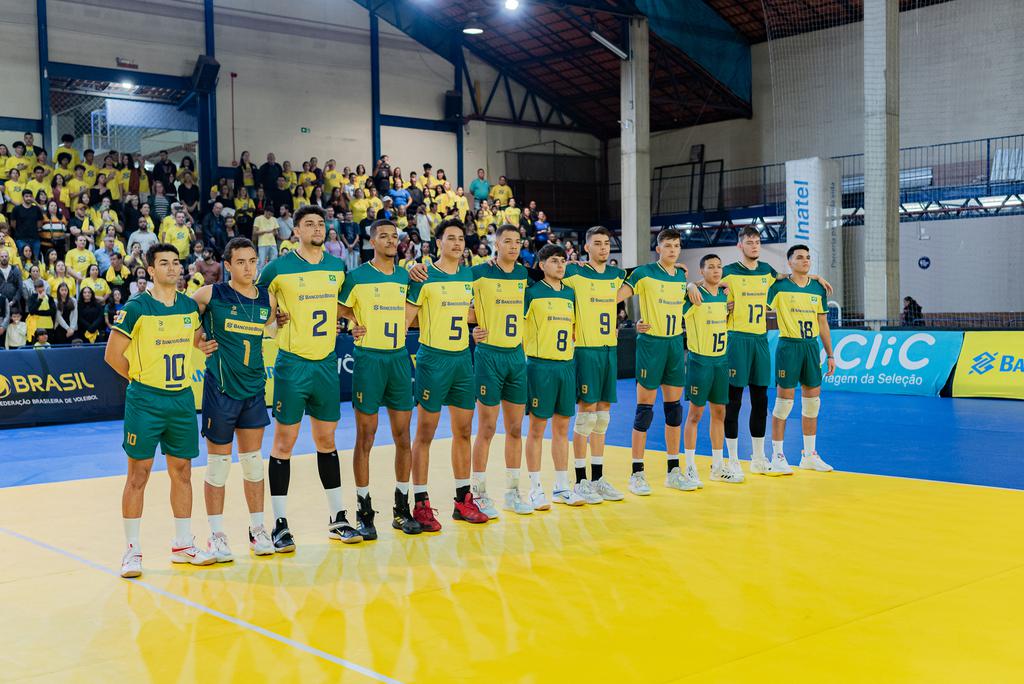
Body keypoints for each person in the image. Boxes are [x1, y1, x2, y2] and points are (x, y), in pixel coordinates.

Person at [104, 243, 216, 578]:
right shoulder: (136, 307)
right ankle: (131, 551)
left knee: (182, 471)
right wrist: (139, 381)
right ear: (150, 270)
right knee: (138, 474)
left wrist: (204, 342)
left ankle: (183, 544)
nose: (172, 268)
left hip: (181, 399)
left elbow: (196, 336)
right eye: (163, 263)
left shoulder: (187, 305)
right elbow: (112, 355)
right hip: (145, 400)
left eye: (176, 262)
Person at [257, 205, 359, 551]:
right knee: (283, 442)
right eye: (309, 224)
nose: (317, 227)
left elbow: (344, 306)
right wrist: (272, 325)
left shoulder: (336, 266)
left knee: (327, 441)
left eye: (321, 223)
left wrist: (352, 321)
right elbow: (257, 307)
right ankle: (280, 523)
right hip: (293, 365)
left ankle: (338, 517)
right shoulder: (277, 268)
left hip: (326, 364)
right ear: (295, 231)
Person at [693, 226, 832, 474]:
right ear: (740, 245)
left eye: (757, 241)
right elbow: (706, 280)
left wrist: (816, 278)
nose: (754, 245)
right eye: (749, 242)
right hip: (737, 340)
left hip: (760, 340)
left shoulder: (768, 272)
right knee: (733, 401)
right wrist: (689, 286)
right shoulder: (730, 272)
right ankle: (733, 459)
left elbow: (792, 276)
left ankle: (758, 457)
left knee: (760, 400)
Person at [193, 237, 277, 560]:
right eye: (240, 262)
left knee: (254, 463)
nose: (248, 267)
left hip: (254, 388)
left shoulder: (265, 300)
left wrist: (279, 320)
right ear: (227, 266)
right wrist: (198, 341)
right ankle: (217, 535)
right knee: (218, 466)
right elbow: (184, 318)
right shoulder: (212, 294)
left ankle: (258, 530)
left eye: (252, 261)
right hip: (221, 389)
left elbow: (271, 320)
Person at [340, 219, 421, 537]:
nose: (390, 241)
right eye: (383, 236)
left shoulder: (408, 277)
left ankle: (402, 509)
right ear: (372, 241)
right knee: (366, 437)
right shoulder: (357, 276)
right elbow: (337, 308)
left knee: (404, 437)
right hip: (369, 361)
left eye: (394, 236)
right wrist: (352, 322)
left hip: (399, 360)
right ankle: (364, 509)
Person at [405, 219, 487, 527]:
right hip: (433, 361)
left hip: (463, 361)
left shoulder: (469, 275)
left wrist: (477, 327)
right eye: (450, 238)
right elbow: (406, 319)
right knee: (425, 433)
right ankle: (421, 503)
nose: (456, 243)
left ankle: (462, 500)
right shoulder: (423, 275)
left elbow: (471, 312)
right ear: (438, 242)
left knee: (463, 432)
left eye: (460, 238)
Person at [617, 228, 690, 495]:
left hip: (674, 344)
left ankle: (673, 470)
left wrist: (692, 285)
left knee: (674, 410)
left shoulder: (682, 276)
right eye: (667, 246)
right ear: (658, 249)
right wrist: (631, 321)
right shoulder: (643, 273)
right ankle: (637, 473)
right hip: (651, 345)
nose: (672, 250)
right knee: (644, 411)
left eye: (676, 246)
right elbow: (615, 295)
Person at [564, 226, 626, 503]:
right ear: (586, 248)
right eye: (597, 243)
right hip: (585, 350)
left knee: (603, 417)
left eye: (606, 243)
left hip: (609, 349)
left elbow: (645, 275)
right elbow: (542, 271)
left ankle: (598, 478)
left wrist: (687, 281)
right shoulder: (574, 273)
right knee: (586, 415)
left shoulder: (616, 275)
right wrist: (566, 262)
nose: (603, 248)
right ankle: (580, 481)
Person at [522, 243, 586, 508]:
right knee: (537, 429)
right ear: (542, 265)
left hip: (566, 366)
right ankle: (535, 488)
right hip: (540, 366)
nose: (560, 265)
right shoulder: (532, 293)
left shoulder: (571, 293)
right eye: (554, 261)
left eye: (563, 261)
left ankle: (561, 486)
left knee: (562, 429)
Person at [768, 244, 836, 474]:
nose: (805, 260)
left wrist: (830, 354)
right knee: (784, 403)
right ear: (789, 263)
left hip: (811, 347)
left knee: (812, 403)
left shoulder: (817, 288)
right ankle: (777, 454)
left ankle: (809, 455)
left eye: (808, 257)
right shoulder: (778, 287)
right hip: (789, 347)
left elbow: (823, 323)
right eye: (799, 258)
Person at [680, 254, 738, 485]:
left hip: (720, 361)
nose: (716, 270)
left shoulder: (724, 297)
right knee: (695, 414)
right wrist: (689, 284)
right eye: (710, 267)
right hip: (700, 361)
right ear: (701, 271)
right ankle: (690, 466)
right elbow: (675, 309)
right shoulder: (695, 297)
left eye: (719, 267)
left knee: (720, 413)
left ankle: (717, 465)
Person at [253, 203, 279, 269]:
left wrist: (274, 232)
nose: (270, 216)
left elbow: (276, 231)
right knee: (261, 262)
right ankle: (259, 277)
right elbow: (255, 232)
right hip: (262, 243)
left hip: (272, 243)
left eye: (271, 214)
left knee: (274, 261)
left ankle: (271, 277)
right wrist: (265, 231)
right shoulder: (258, 219)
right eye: (269, 214)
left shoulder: (274, 219)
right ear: (265, 211)